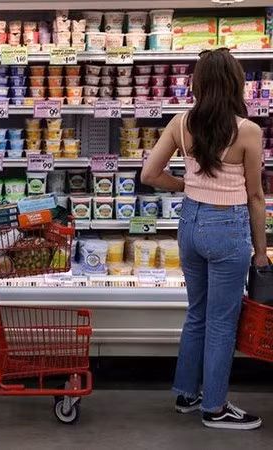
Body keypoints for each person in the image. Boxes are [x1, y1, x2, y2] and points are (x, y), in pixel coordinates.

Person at [141, 48, 266, 431]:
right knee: (222, 321)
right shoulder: (247, 130)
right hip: (227, 228)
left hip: (190, 222)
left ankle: (186, 394)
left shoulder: (181, 123)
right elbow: (256, 196)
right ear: (235, 83)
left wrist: (184, 185)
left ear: (197, 84)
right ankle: (215, 407)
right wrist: (261, 253)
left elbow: (149, 174)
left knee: (197, 312)